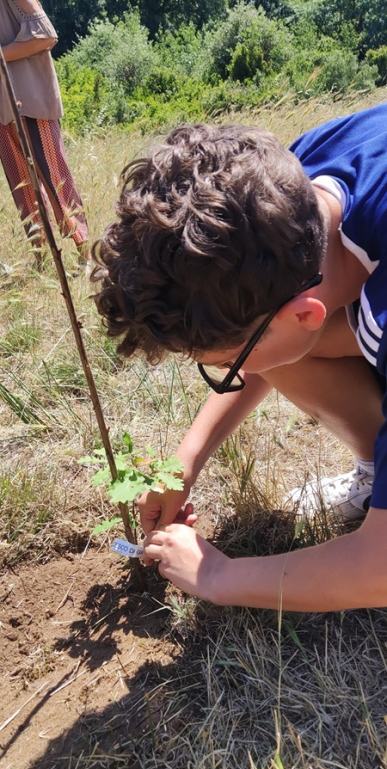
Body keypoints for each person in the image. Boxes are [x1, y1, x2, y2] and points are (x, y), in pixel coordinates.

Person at [94, 102, 387, 612]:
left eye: (225, 363)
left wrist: (219, 575)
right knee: (270, 348)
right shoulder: (288, 181)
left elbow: (380, 570)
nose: (239, 374)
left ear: (306, 317)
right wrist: (183, 463)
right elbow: (264, 346)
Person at [0, 0, 88, 262]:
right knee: (22, 187)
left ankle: (86, 253)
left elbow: (46, 35)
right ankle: (42, 258)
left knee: (55, 181)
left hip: (31, 100)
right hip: (2, 108)